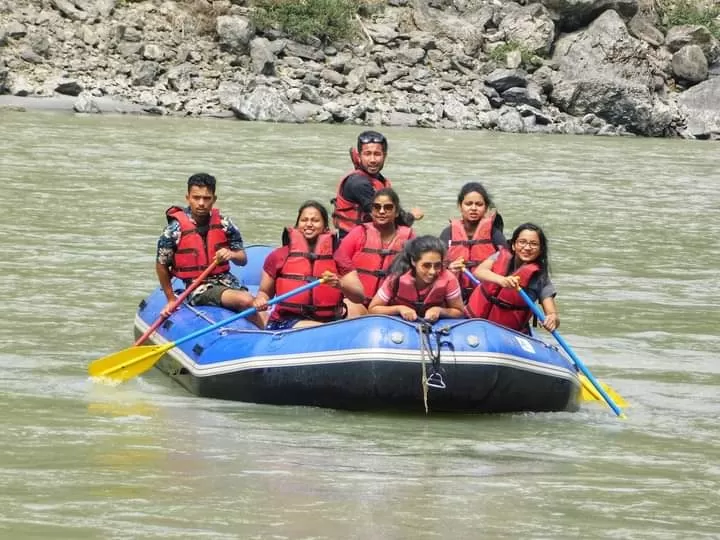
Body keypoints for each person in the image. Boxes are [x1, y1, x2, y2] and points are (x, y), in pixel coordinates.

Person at [156, 173, 263, 328]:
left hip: (227, 282)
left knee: (258, 308)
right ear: (188, 198)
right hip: (197, 287)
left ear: (214, 199)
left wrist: (231, 254)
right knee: (246, 300)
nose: (201, 203)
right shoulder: (174, 230)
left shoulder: (225, 224)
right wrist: (171, 299)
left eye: (206, 198)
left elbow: (242, 258)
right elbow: (161, 265)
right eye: (196, 197)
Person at [252, 200, 366, 330]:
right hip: (288, 321)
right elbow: (264, 292)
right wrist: (261, 299)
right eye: (304, 220)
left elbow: (359, 296)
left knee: (359, 309)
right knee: (321, 328)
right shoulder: (278, 256)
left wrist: (340, 284)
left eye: (315, 220)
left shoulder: (338, 257)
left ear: (325, 227)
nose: (309, 224)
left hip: (330, 320)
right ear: (297, 225)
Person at [465, 223, 559, 334]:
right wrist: (502, 280)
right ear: (514, 245)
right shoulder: (500, 256)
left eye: (534, 244)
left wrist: (552, 319)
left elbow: (552, 313)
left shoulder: (540, 278)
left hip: (509, 332)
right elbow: (479, 272)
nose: (527, 247)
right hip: (473, 321)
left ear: (540, 249)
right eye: (522, 242)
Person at [335, 188, 416, 317]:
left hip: (390, 305)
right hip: (358, 302)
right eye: (377, 207)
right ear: (372, 211)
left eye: (388, 207)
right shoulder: (359, 233)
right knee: (351, 310)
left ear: (396, 212)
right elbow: (338, 264)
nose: (382, 211)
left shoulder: (409, 237)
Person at [331, 130, 423, 238]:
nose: (373, 160)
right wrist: (411, 216)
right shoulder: (358, 183)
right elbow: (390, 217)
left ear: (385, 156)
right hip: (353, 243)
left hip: (371, 240)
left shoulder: (376, 178)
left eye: (377, 154)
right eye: (367, 154)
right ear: (359, 156)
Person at [368, 236, 465, 322]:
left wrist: (439, 310)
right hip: (400, 324)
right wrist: (399, 309)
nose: (432, 271)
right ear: (413, 261)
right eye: (426, 265)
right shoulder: (396, 277)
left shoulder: (449, 280)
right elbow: (373, 309)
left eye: (437, 265)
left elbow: (459, 311)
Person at [440, 182, 508, 300]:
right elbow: (434, 265)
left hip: (485, 295)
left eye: (479, 204)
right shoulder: (448, 233)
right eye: (468, 204)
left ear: (486, 207)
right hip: (455, 295)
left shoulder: (494, 234)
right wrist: (449, 267)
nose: (473, 208)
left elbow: (507, 260)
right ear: (460, 206)